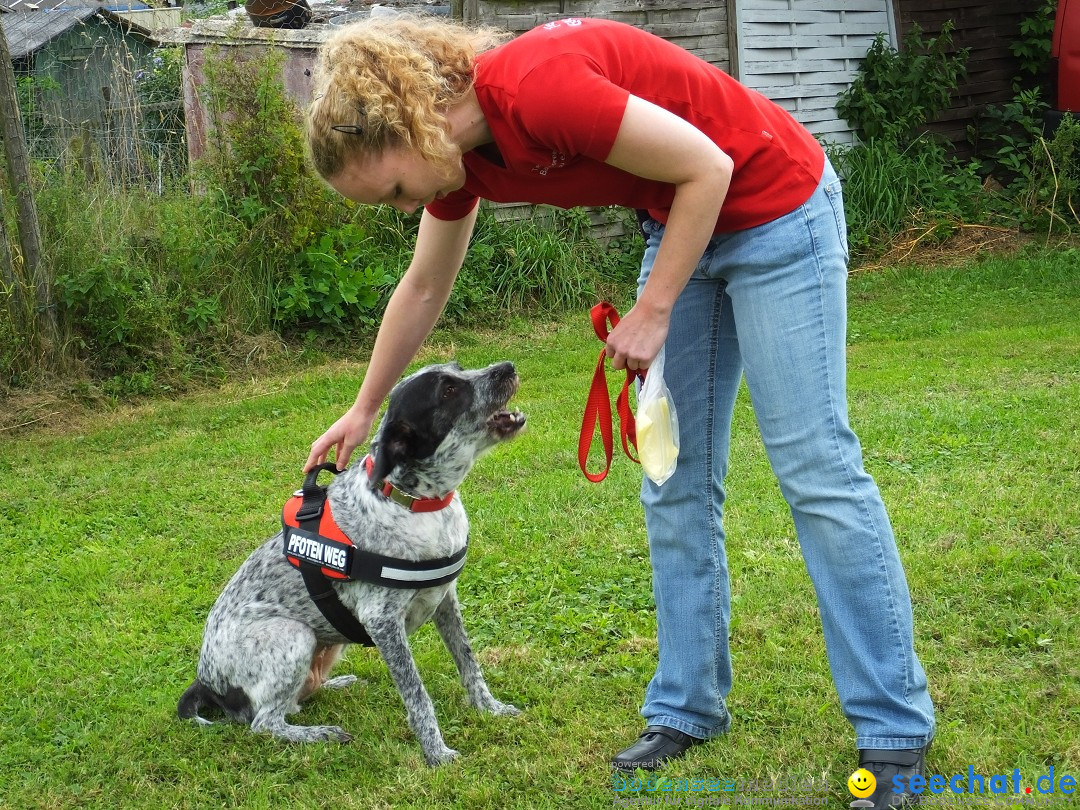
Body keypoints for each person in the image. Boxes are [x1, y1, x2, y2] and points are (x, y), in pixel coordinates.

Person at [304, 13, 935, 806]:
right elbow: (424, 286)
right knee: (674, 483)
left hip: (777, 209)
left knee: (816, 470)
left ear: (408, 125)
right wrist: (364, 410)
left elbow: (708, 167)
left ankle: (893, 729)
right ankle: (687, 708)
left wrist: (656, 306)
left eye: (393, 190)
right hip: (682, 228)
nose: (402, 208)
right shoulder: (458, 162)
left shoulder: (535, 88)